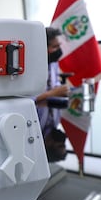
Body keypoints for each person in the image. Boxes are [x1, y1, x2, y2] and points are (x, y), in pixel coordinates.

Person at [35, 27, 70, 162]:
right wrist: (54, 93)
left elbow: (53, 85)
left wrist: (58, 90)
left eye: (61, 145)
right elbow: (25, 100)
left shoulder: (53, 62)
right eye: (55, 47)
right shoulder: (32, 66)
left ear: (48, 144)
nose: (59, 50)